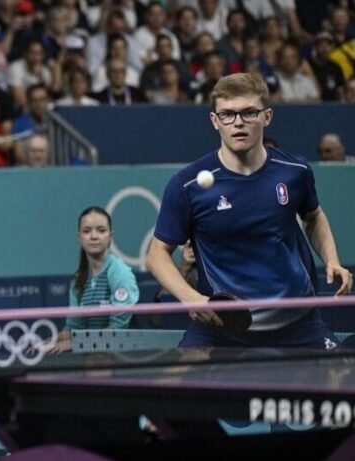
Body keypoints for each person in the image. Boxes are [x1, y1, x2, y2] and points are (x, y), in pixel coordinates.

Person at [146, 72, 352, 349]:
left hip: (298, 323)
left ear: (267, 116)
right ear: (214, 121)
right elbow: (157, 254)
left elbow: (313, 216)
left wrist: (331, 259)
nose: (238, 123)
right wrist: (190, 296)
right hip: (221, 328)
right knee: (182, 391)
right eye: (228, 115)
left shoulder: (295, 171)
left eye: (248, 113)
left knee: (336, 387)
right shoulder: (187, 185)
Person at [51, 206, 139, 353]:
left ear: (111, 235)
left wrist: (75, 343)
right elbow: (73, 328)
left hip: (121, 357)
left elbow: (117, 329)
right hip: (89, 357)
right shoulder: (78, 279)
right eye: (87, 231)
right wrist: (48, 344)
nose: (94, 236)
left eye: (101, 230)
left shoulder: (119, 273)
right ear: (79, 236)